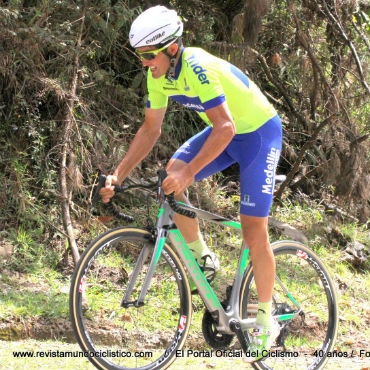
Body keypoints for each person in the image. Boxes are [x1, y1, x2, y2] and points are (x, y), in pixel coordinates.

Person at [100, 5, 282, 360]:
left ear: (170, 48)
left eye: (148, 55)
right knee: (173, 173)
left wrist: (189, 173)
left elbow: (226, 126)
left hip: (259, 135)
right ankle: (203, 256)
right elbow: (151, 128)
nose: (144, 63)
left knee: (252, 231)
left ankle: (265, 317)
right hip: (225, 133)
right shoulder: (158, 74)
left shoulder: (197, 66)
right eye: (139, 56)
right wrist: (118, 174)